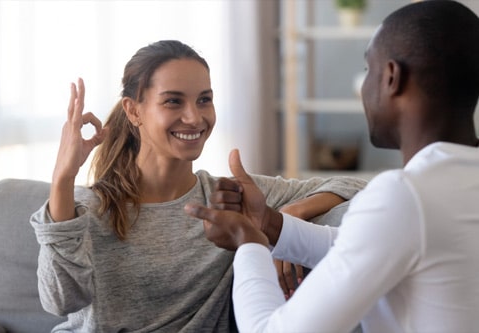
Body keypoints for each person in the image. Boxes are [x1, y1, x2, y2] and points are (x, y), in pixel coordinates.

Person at [29, 40, 366, 332]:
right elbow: (60, 300)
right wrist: (63, 179)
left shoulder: (227, 199)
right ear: (134, 111)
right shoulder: (91, 207)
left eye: (204, 100)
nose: (194, 117)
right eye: (173, 101)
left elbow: (354, 186)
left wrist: (281, 221)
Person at [184, 1, 479, 332]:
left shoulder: (406, 195)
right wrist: (267, 222)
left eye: (369, 70)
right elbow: (362, 244)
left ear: (392, 77)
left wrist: (248, 241)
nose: (363, 89)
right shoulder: (455, 184)